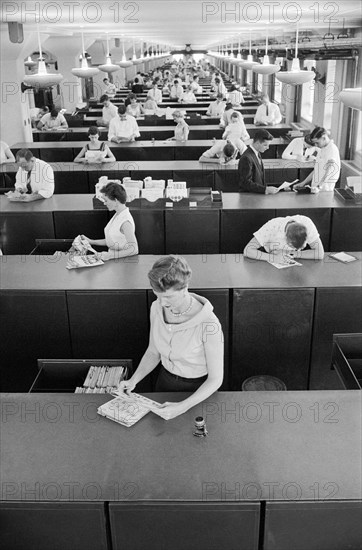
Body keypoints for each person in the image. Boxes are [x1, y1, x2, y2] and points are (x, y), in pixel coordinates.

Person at [117, 255, 224, 420]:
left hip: (197, 390)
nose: (162, 303)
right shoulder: (156, 307)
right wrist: (133, 380)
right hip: (164, 382)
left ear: (185, 287)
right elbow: (153, 352)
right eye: (157, 295)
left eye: (168, 297)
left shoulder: (210, 324)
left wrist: (183, 407)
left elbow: (216, 379)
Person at [81, 181, 138, 261]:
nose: (104, 203)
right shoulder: (118, 215)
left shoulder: (125, 222)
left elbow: (134, 249)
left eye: (106, 200)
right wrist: (91, 241)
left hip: (122, 263)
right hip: (114, 261)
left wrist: (109, 255)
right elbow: (112, 240)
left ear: (116, 200)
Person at [243, 215, 324, 263]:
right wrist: (274, 258)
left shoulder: (307, 223)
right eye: (292, 246)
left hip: (292, 260)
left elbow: (319, 253)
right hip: (269, 257)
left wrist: (290, 253)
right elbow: (248, 250)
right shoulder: (272, 226)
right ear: (285, 237)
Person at [294, 127, 341, 193]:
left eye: (317, 143)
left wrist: (319, 186)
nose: (316, 145)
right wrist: (303, 183)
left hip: (324, 189)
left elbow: (330, 170)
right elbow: (316, 170)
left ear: (324, 138)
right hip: (316, 187)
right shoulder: (322, 149)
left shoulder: (332, 150)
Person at [238, 129, 278, 194]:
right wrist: (265, 189)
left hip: (257, 195)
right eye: (265, 145)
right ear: (257, 143)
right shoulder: (246, 158)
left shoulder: (257, 153)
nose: (268, 148)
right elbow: (245, 183)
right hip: (249, 198)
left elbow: (259, 179)